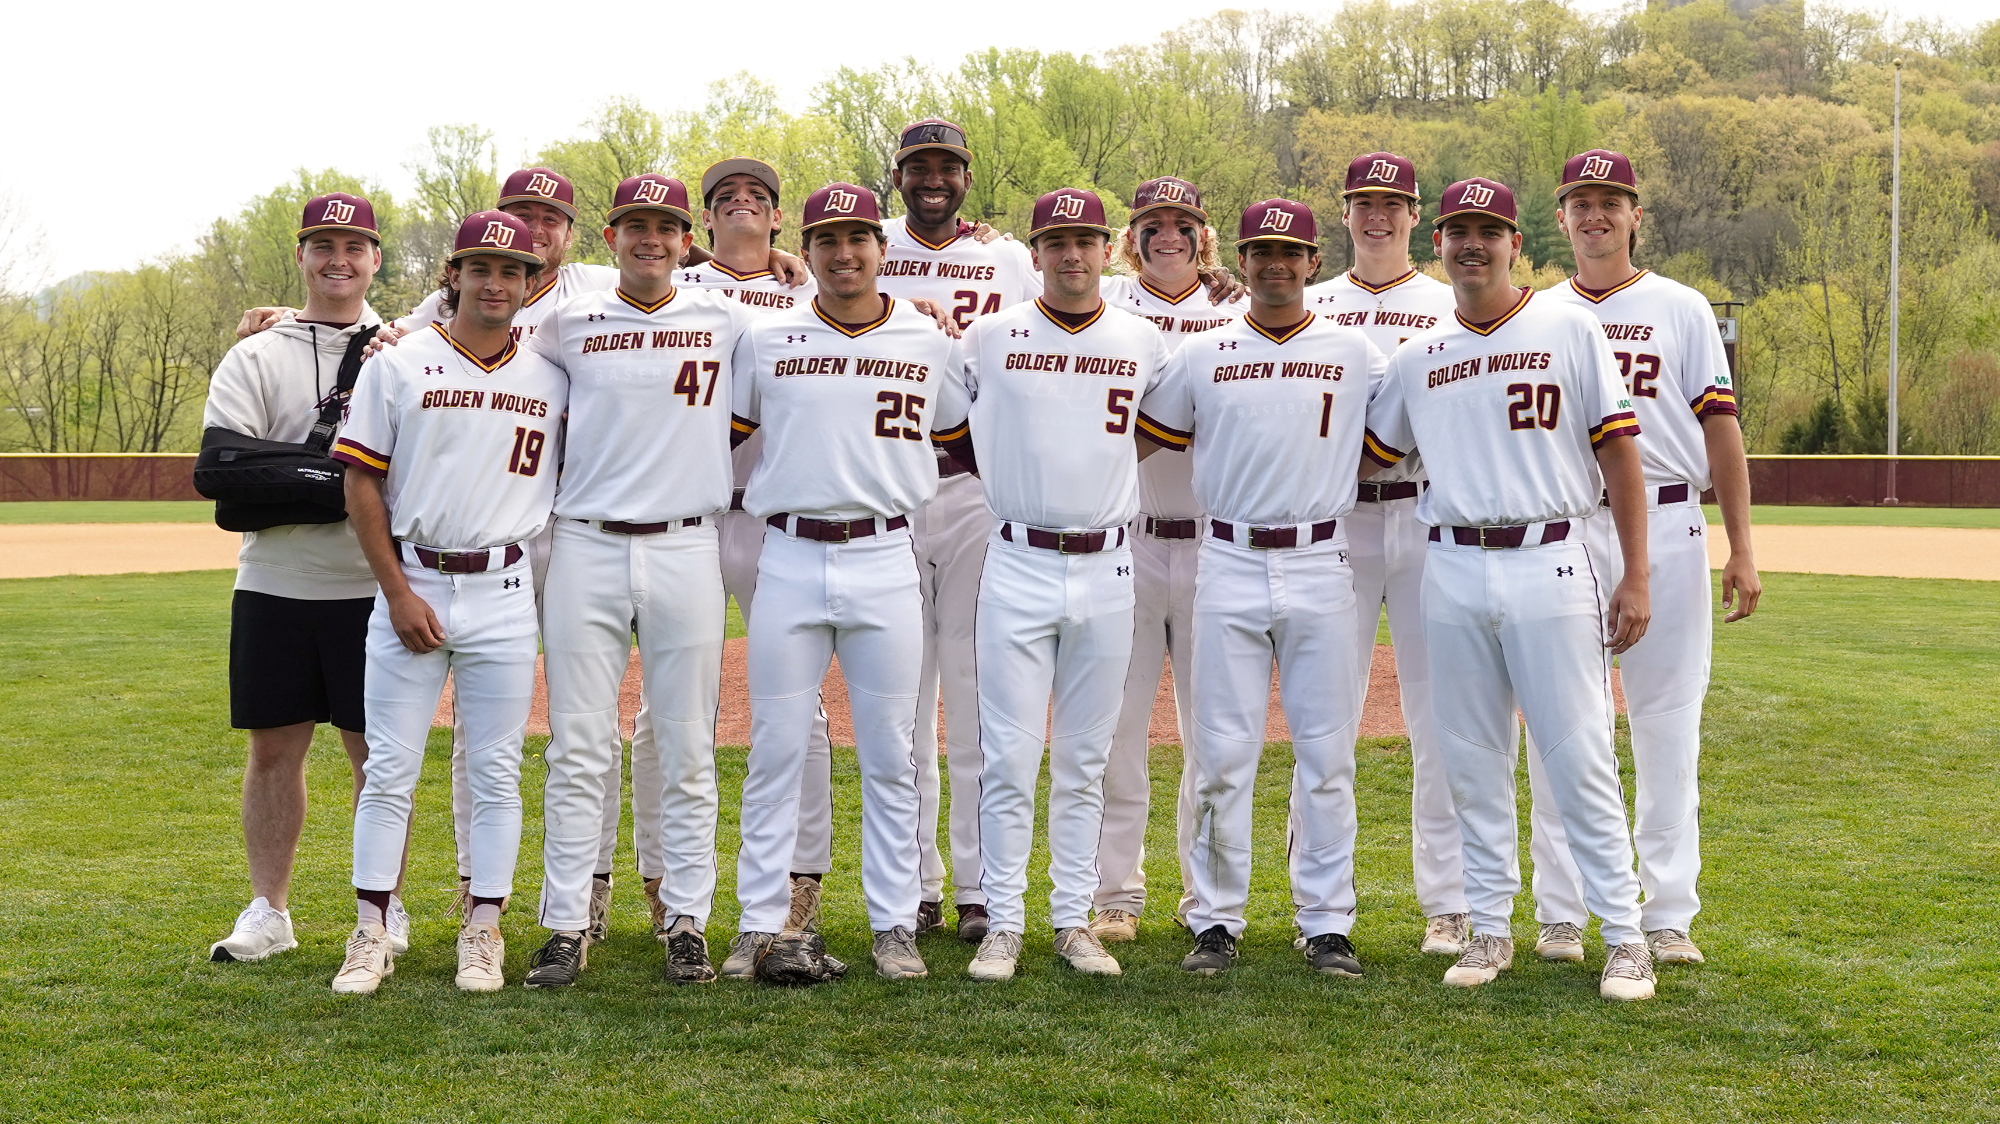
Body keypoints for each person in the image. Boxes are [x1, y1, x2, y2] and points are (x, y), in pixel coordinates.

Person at [1360, 177, 1659, 1002]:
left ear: (1516, 244)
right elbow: (1366, 457)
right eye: (1458, 230)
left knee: (1578, 752)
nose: (1471, 244)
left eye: (1488, 230)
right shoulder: (1417, 357)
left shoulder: (1569, 325)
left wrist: (1636, 572)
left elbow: (1621, 455)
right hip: (1451, 562)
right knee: (1471, 755)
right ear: (1438, 244)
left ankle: (1624, 935)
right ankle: (1489, 928)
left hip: (1551, 553)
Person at [723, 183, 968, 981]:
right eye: (827, 238)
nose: (843, 252)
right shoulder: (767, 337)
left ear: (881, 244)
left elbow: (960, 437)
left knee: (893, 753)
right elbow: (729, 430)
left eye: (858, 236)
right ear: (808, 247)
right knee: (776, 750)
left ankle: (894, 922)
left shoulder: (928, 338)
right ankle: (759, 922)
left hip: (883, 552)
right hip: (789, 552)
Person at [1137, 199, 1385, 978]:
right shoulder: (1203, 353)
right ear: (1238, 260)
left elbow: (1389, 444)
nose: (1276, 263)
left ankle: (1325, 922)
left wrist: (1325, 479)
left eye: (1291, 251)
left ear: (1315, 263)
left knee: (1327, 754)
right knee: (1220, 752)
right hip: (1231, 558)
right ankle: (1214, 919)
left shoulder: (1356, 352)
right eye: (1261, 251)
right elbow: (1145, 440)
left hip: (1320, 557)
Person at [1524, 149, 1761, 968]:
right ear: (1560, 216)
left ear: (1635, 213)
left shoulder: (1681, 307)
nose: (1595, 215)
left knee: (1666, 726)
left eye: (1610, 202)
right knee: (1559, 726)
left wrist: (1742, 545)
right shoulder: (1538, 313)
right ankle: (1560, 912)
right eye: (1580, 202)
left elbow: (1721, 429)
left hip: (1666, 521)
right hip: (1563, 529)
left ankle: (1665, 914)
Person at [523, 174, 757, 987]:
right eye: (634, 225)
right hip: (585, 543)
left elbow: (817, 326)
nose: (649, 238)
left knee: (688, 743)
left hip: (688, 542)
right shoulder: (567, 321)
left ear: (687, 238)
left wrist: (790, 258)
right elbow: (476, 338)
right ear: (612, 236)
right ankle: (565, 923)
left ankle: (685, 917)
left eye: (665, 225)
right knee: (578, 744)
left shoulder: (728, 319)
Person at [328, 210, 566, 994]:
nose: (495, 283)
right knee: (391, 770)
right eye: (479, 268)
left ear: (532, 284)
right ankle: (369, 931)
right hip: (417, 579)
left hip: (504, 585)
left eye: (512, 271)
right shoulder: (399, 363)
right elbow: (361, 478)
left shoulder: (549, 375)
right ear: (452, 275)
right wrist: (395, 591)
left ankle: (484, 929)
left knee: (497, 772)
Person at [946, 188, 1169, 981]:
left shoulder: (1144, 339)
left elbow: (1162, 429)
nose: (1072, 254)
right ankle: (1004, 920)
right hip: (1017, 555)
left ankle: (1073, 921)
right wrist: (1020, 477)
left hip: (1108, 561)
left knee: (1084, 758)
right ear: (1033, 252)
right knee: (1009, 754)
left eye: (1085, 239)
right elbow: (949, 429)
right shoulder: (988, 335)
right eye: (1055, 241)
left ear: (1109, 247)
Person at [204, 193, 402, 963]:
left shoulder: (406, 348)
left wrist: (284, 474)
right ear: (300, 256)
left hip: (372, 587)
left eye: (355, 247)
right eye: (323, 246)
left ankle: (382, 906)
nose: (338, 260)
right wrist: (344, 485)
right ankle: (268, 911)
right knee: (272, 752)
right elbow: (224, 476)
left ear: (375, 259)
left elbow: (408, 477)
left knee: (374, 758)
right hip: (273, 583)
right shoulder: (256, 353)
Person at [871, 118, 1042, 941]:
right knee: (904, 704)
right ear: (897, 176)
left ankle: (976, 887)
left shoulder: (1008, 259)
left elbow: (1090, 299)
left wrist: (1215, 275)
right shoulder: (867, 245)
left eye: (947, 167)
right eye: (918, 167)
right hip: (895, 489)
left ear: (968, 177)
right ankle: (913, 888)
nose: (933, 179)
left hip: (978, 490)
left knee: (976, 699)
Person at [1302, 152, 1467, 956]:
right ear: (1343, 213)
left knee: (1441, 719)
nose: (1378, 216)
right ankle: (1319, 906)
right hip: (1336, 524)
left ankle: (1450, 903)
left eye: (1392, 203)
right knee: (1322, 715)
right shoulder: (1306, 302)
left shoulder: (1446, 304)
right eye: (1364, 202)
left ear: (1415, 215)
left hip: (1427, 514)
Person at [1090, 176, 1243, 945]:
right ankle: (1116, 891)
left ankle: (1204, 896)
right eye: (1153, 224)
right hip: (1133, 537)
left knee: (1213, 732)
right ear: (1132, 237)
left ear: (1203, 236)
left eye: (1184, 223)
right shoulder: (1108, 301)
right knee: (1117, 729)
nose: (1169, 235)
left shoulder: (1236, 307)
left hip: (1217, 539)